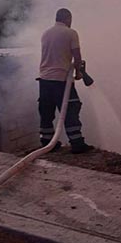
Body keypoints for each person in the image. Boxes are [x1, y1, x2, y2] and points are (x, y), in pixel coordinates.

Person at [37, 8, 92, 153]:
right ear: (68, 18)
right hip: (62, 80)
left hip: (44, 80)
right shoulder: (71, 33)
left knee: (46, 111)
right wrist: (78, 72)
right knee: (71, 109)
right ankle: (77, 143)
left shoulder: (46, 33)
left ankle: (47, 141)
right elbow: (77, 56)